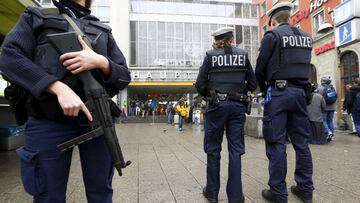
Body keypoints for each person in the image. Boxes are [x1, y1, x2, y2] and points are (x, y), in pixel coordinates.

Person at [0, 0, 131, 202]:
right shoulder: (35, 17)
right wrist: (56, 87)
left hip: (97, 118)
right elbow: (9, 57)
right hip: (47, 119)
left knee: (101, 194)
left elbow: (124, 76)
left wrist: (100, 62)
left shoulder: (102, 29)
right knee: (47, 195)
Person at [255, 2, 314, 203]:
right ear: (290, 17)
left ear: (273, 20)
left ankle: (278, 192)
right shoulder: (307, 38)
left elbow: (259, 69)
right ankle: (305, 189)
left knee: (276, 142)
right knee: (302, 143)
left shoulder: (272, 36)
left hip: (279, 94)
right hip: (300, 93)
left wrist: (265, 91)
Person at [196, 26, 257, 203]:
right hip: (237, 107)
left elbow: (200, 84)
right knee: (236, 150)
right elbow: (253, 83)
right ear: (232, 39)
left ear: (218, 41)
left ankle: (212, 193)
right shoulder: (243, 55)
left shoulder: (210, 56)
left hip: (216, 107)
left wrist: (212, 93)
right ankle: (236, 196)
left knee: (213, 149)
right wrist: (239, 93)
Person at [318, 76, 337, 141]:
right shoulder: (332, 87)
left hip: (324, 108)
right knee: (330, 121)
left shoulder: (320, 89)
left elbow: (319, 99)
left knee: (324, 121)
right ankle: (332, 134)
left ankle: (328, 132)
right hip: (332, 107)